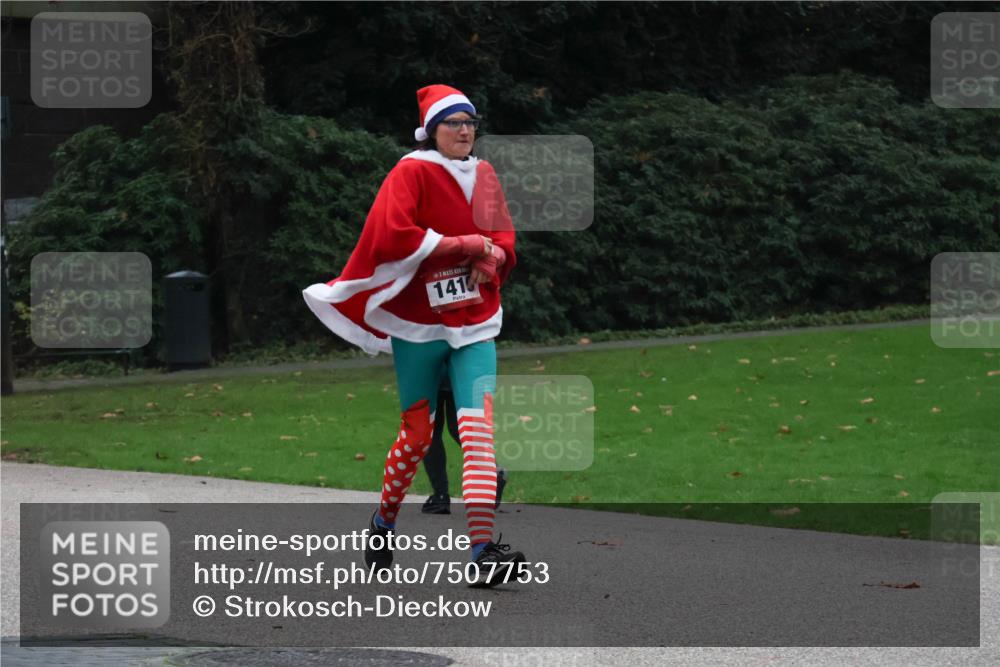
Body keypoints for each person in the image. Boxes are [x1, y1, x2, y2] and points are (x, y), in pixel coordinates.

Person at [303, 84, 523, 587]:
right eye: (454, 123)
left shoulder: (485, 173)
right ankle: (383, 523)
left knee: (478, 434)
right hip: (417, 325)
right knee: (418, 435)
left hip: (475, 322)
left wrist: (495, 258)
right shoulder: (410, 171)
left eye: (470, 121)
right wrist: (460, 243)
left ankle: (482, 552)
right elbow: (391, 233)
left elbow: (505, 236)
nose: (465, 130)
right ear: (432, 132)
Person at [421, 376, 507, 515]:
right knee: (461, 428)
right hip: (459, 368)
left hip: (431, 368)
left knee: (430, 431)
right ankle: (494, 471)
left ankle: (440, 497)